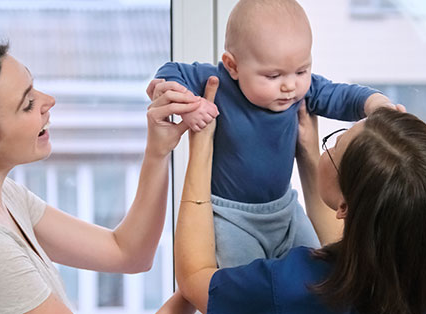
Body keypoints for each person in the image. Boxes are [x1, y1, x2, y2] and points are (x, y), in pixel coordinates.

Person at [0, 34, 213, 314]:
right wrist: (203, 283)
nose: (48, 101)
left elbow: (127, 252)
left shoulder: (0, 198)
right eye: (27, 103)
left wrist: (157, 151)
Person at [161, 102, 426, 313]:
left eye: (336, 143)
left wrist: (201, 147)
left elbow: (195, 278)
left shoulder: (296, 286)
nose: (327, 148)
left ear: (345, 206)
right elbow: (361, 248)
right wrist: (309, 154)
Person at [155, 0, 402, 268]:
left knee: (322, 269)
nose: (290, 86)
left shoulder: (301, 92)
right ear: (233, 66)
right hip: (231, 218)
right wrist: (190, 104)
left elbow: (343, 95)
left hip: (286, 210)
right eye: (273, 76)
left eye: (302, 71)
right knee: (242, 286)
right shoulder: (217, 82)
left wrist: (376, 105)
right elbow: (170, 72)